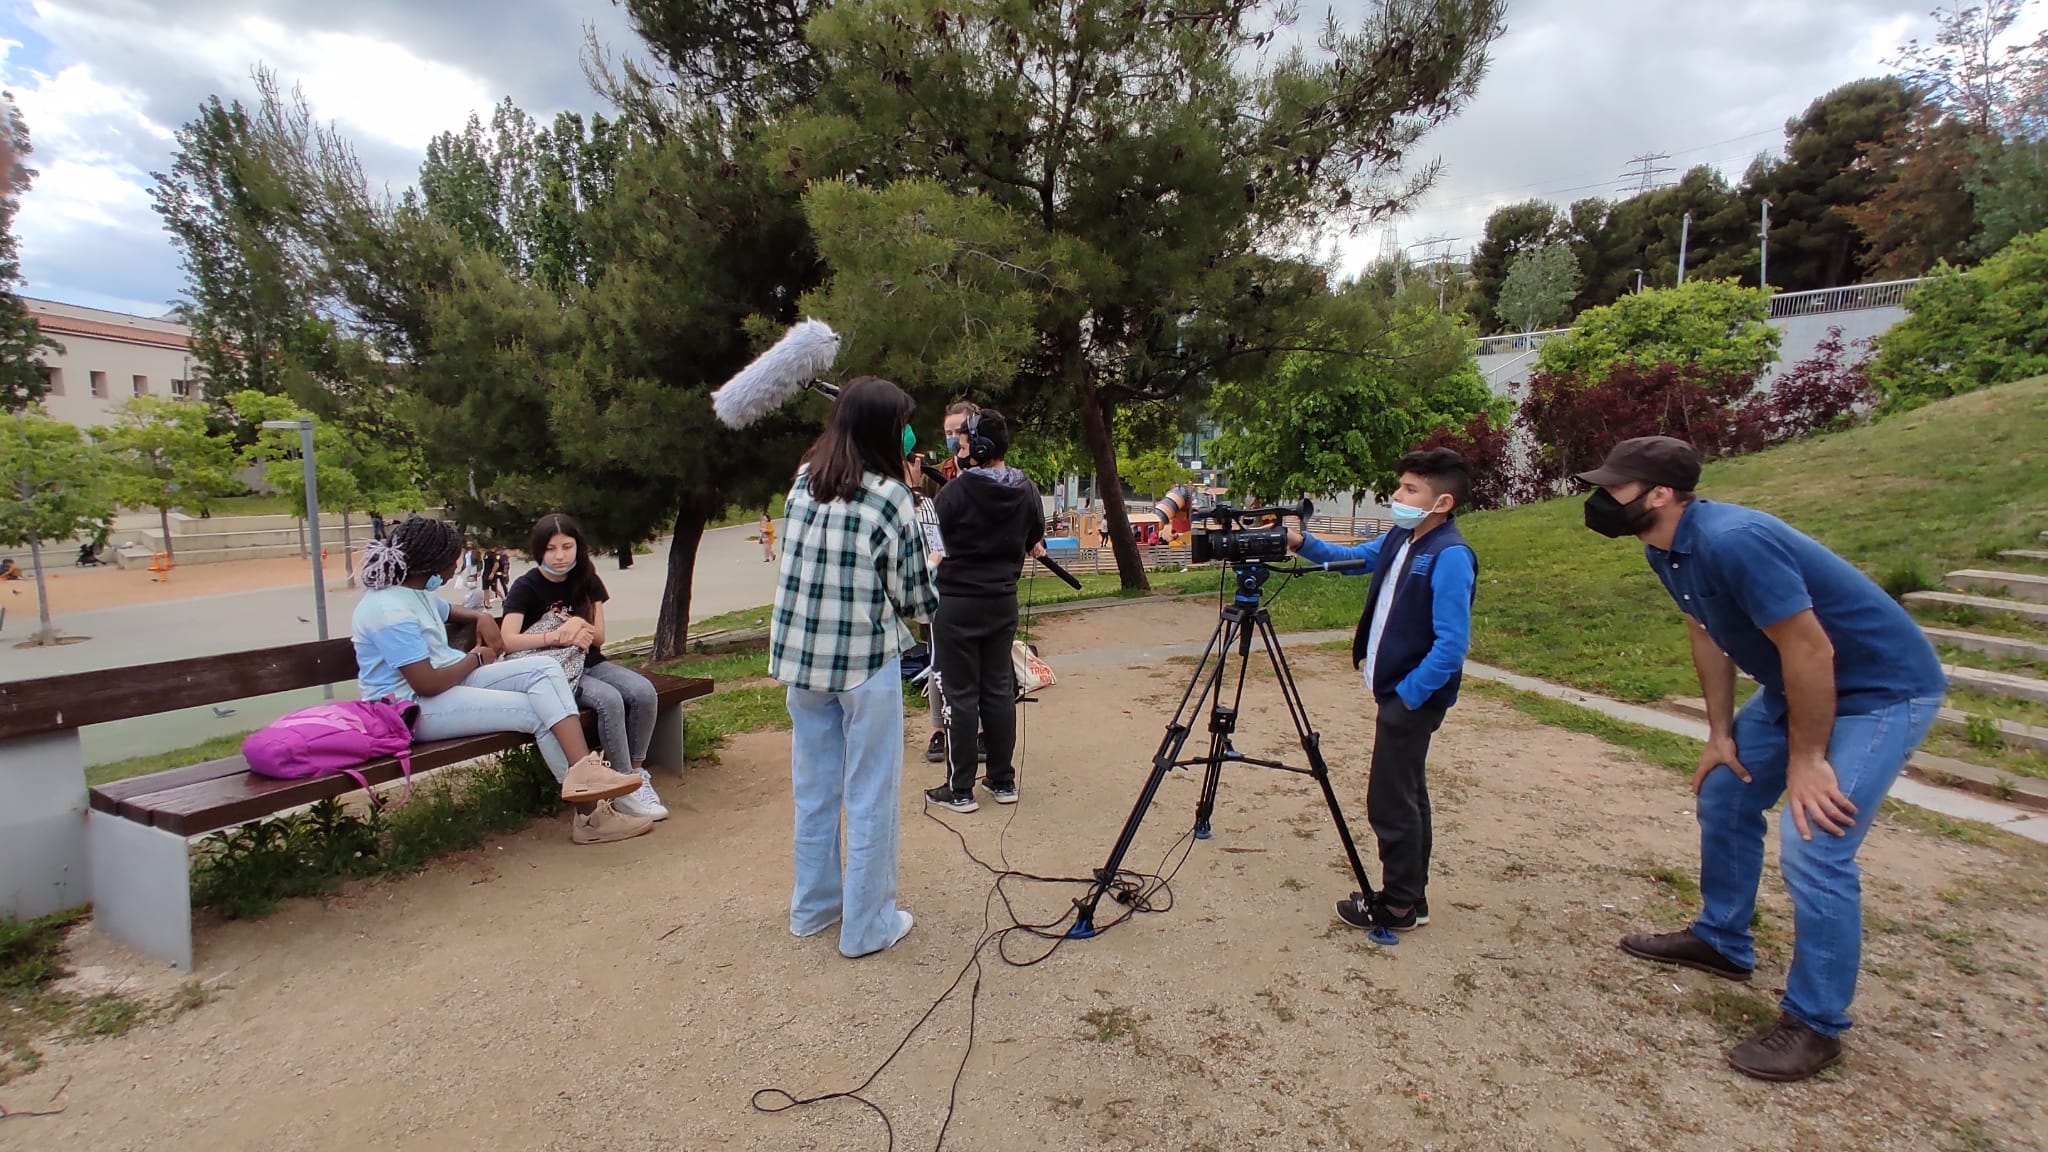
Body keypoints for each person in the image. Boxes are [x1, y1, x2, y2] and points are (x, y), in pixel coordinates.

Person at [1577, 436, 1945, 1082]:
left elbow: (1811, 649)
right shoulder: (1665, 548)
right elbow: (1705, 632)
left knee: (1816, 841)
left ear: (1660, 494)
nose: (1601, 499)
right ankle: (1722, 938)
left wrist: (1808, 759)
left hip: (1879, 691)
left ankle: (1816, 1023)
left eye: (1614, 487)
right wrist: (1720, 733)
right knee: (1726, 791)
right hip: (1793, 686)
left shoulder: (1734, 540)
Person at [352, 516, 653, 845]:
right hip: (409, 709)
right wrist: (478, 657)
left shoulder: (415, 591)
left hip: (451, 683)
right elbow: (427, 684)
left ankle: (585, 773)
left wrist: (481, 615)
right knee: (535, 711)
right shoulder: (389, 611)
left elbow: (448, 610)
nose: (456, 568)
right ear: (432, 563)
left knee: (544, 669)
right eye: (453, 560)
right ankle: (592, 818)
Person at [770, 375, 938, 958]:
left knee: (814, 788)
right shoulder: (890, 497)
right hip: (864, 662)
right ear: (885, 431)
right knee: (870, 792)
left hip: (801, 659)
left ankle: (814, 908)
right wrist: (934, 566)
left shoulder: (802, 482)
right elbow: (915, 600)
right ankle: (867, 926)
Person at [1286, 448, 1478, 934]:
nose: (1397, 496)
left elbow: (1452, 644)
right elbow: (1353, 560)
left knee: (1390, 801)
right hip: (1395, 692)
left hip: (1412, 698)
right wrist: (1299, 542)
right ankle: (1412, 896)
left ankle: (1397, 906)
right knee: (1407, 793)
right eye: (1400, 486)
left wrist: (1410, 694)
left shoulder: (1450, 555)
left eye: (1411, 489)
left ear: (1442, 503)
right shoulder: (1400, 537)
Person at [499, 512, 668, 822]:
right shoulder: (526, 586)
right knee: (609, 699)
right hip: (553, 672)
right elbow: (507, 640)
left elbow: (599, 638)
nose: (560, 556)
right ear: (539, 551)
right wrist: (555, 635)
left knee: (643, 691)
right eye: (551, 549)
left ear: (578, 546)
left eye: (567, 546)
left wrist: (580, 624)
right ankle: (621, 788)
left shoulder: (587, 579)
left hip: (589, 660)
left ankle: (636, 775)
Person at [923, 409, 1046, 814]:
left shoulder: (956, 492)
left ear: (979, 446)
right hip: (1002, 601)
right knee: (998, 690)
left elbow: (931, 541)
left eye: (963, 442)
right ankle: (1002, 779)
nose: (959, 449)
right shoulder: (1027, 489)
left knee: (960, 695)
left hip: (956, 604)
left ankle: (960, 789)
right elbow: (1034, 536)